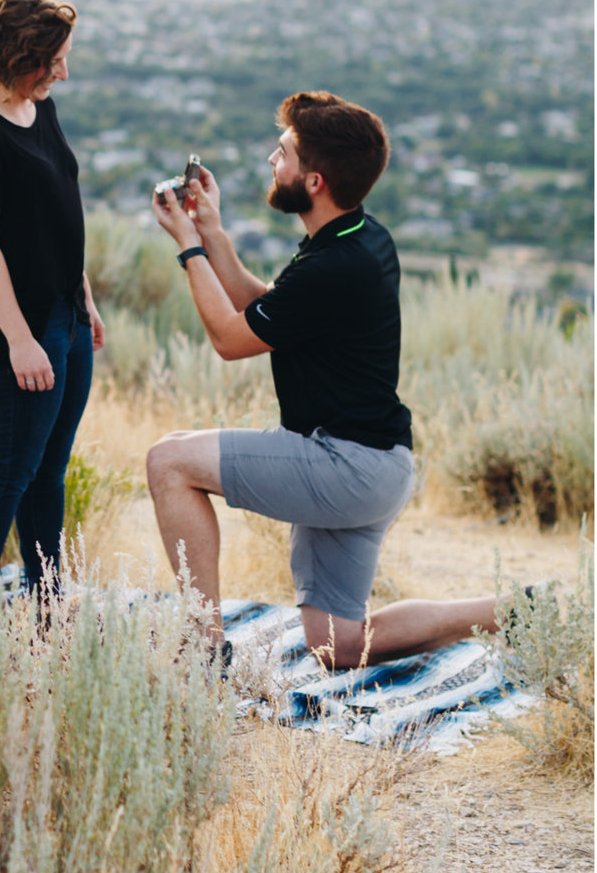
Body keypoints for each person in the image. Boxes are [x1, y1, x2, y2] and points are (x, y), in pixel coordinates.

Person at [145, 90, 507, 669]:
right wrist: (210, 230)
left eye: (282, 152)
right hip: (377, 465)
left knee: (169, 461)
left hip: (346, 465)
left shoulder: (335, 265)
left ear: (313, 181)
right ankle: (506, 611)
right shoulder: (357, 239)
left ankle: (201, 648)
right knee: (335, 644)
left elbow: (230, 339)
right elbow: (268, 308)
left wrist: (188, 249)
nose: (272, 159)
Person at [0, 0, 106, 597]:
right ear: (18, 56)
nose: (63, 74)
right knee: (10, 473)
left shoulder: (40, 109)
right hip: (19, 330)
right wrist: (20, 340)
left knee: (49, 472)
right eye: (53, 61)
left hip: (64, 316)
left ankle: (48, 604)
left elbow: (60, 210)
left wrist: (83, 296)